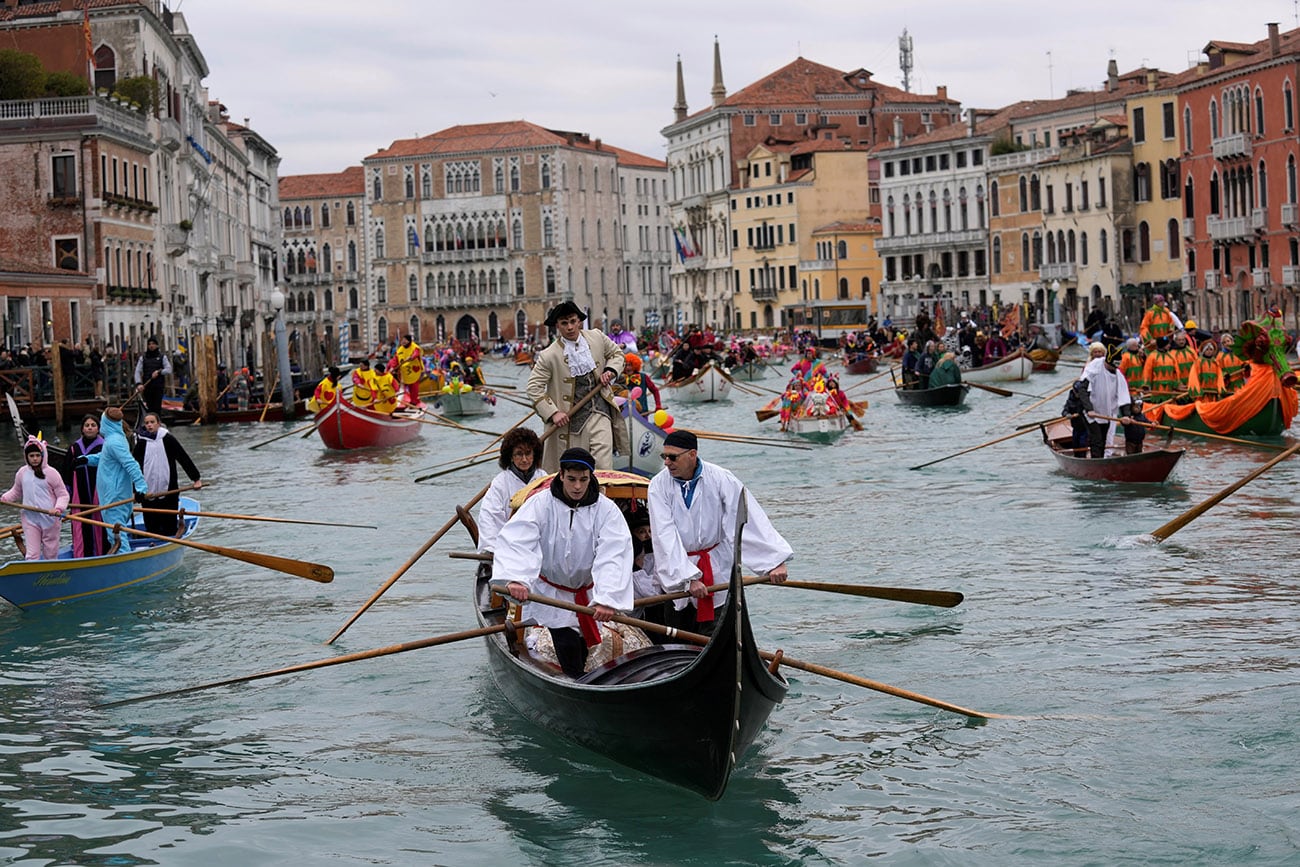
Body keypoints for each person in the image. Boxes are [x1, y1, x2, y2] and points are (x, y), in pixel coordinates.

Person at [498, 447, 633, 679]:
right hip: (552, 593)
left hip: (589, 594)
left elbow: (614, 553)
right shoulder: (540, 503)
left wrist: (607, 597)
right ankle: (577, 682)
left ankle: (579, 681)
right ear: (561, 475)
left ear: (591, 477)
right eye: (571, 479)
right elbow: (518, 540)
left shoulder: (606, 510)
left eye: (583, 479)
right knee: (567, 642)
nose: (578, 487)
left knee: (581, 645)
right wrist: (517, 578)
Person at [648, 430, 792, 635]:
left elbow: (746, 518)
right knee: (679, 632)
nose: (667, 463)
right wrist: (687, 578)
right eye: (664, 456)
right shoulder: (658, 486)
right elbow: (664, 535)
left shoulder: (721, 478)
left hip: (717, 567)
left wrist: (774, 562)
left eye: (673, 457)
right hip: (676, 572)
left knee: (720, 629)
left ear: (692, 454)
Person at [527, 301, 628, 473]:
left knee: (603, 467)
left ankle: (601, 497)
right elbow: (533, 388)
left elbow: (617, 354)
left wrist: (610, 371)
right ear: (557, 326)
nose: (570, 327)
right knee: (577, 470)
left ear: (579, 321)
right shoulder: (548, 355)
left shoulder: (597, 337)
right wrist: (553, 413)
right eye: (564, 323)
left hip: (601, 412)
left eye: (573, 321)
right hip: (571, 423)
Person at [475, 428, 547, 566]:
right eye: (519, 454)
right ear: (511, 457)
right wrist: (492, 550)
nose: (524, 459)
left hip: (539, 547)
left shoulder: (544, 479)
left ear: (535, 454)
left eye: (528, 453)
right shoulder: (500, 483)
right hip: (509, 548)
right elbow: (490, 518)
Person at [80, 407, 148, 552]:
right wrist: (86, 460)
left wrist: (141, 488)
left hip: (115, 496)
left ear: (105, 422)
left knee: (116, 535)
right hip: (111, 495)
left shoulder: (114, 442)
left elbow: (131, 464)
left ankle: (126, 566)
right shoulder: (114, 439)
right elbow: (105, 459)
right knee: (115, 535)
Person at [132, 412, 202, 537]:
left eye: (152, 422)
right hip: (148, 492)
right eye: (147, 423)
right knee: (151, 525)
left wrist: (196, 478)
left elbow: (183, 458)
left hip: (169, 490)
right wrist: (133, 490)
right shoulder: (141, 443)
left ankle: (170, 538)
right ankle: (152, 542)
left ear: (158, 424)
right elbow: (133, 467)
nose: (149, 425)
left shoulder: (167, 438)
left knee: (169, 523)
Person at [1, 436, 69, 560]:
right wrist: (4, 498)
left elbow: (63, 495)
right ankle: (32, 574)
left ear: (42, 455)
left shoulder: (51, 473)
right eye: (31, 456)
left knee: (50, 553)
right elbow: (16, 491)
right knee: (32, 554)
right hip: (30, 518)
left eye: (37, 455)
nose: (35, 459)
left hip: (50, 518)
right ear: (26, 457)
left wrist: (58, 508)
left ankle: (51, 574)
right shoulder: (22, 472)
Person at [60, 413, 109, 558]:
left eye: (93, 425)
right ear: (82, 429)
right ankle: (82, 555)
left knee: (99, 523)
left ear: (98, 429)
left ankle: (102, 553)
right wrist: (67, 491)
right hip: (79, 494)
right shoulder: (74, 448)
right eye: (87, 425)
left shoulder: (104, 446)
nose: (90, 428)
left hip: (98, 493)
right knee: (80, 524)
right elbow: (66, 471)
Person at [1078, 344, 1138, 458]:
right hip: (1091, 412)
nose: (1114, 370)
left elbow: (1124, 396)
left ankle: (1100, 460)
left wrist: (1126, 415)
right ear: (1107, 362)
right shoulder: (1094, 367)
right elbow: (1082, 389)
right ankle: (1096, 463)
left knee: (1104, 440)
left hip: (1107, 413)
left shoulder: (1118, 374)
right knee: (1097, 440)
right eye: (1111, 367)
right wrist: (1089, 409)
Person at [133, 336, 173, 415]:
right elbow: (137, 371)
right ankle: (150, 423)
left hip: (158, 387)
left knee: (157, 407)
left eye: (153, 344)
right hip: (147, 386)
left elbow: (169, 369)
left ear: (157, 345)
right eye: (149, 344)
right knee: (149, 407)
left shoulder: (162, 357)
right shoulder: (143, 358)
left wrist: (159, 372)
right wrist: (138, 384)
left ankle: (157, 423)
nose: (151, 346)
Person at [394, 334, 423, 406]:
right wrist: (392, 367)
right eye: (402, 340)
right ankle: (403, 400)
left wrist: (411, 357)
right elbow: (395, 359)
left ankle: (414, 401)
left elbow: (416, 354)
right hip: (404, 373)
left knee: (414, 388)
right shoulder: (400, 350)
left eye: (405, 340)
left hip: (415, 371)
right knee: (405, 387)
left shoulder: (415, 347)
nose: (403, 341)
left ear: (409, 341)